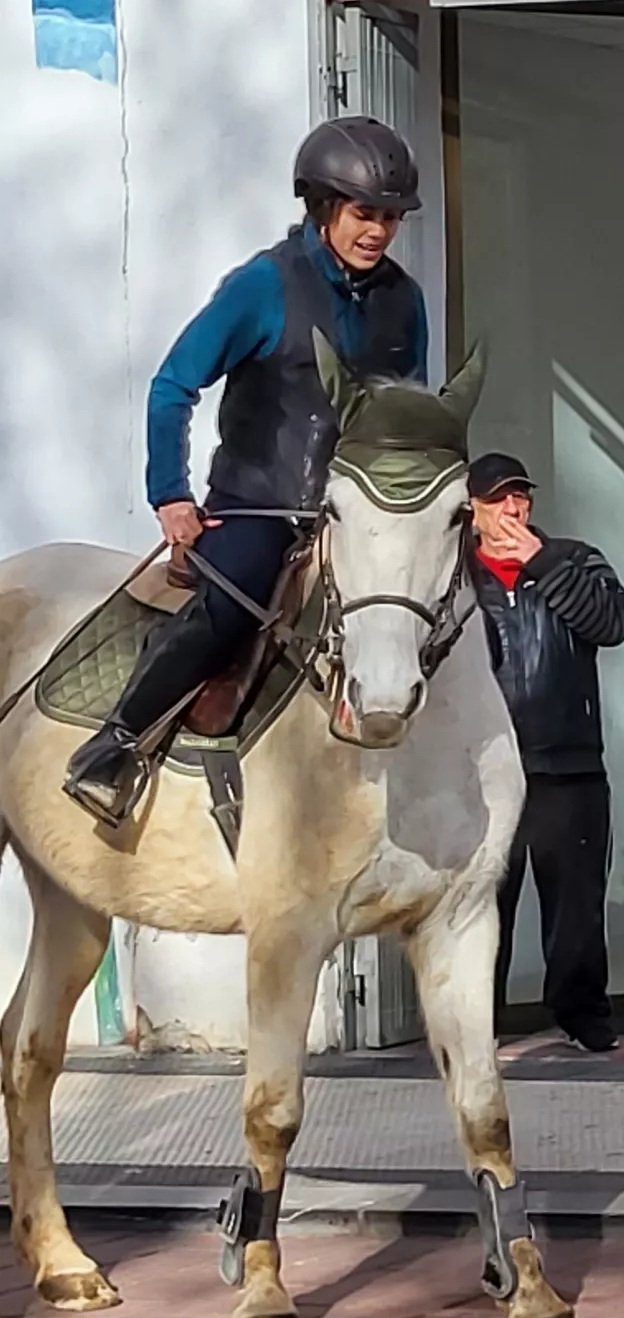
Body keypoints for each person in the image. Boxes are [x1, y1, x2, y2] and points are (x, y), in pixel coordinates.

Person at [67, 117, 430, 824]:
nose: (379, 231)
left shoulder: (403, 301)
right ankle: (113, 745)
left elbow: (402, 416)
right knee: (229, 610)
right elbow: (174, 384)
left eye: (390, 217)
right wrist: (170, 495)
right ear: (323, 207)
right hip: (258, 507)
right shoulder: (264, 285)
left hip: (352, 512)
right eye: (365, 214)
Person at [465, 455, 624, 1053]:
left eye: (520, 498)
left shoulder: (574, 559)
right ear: (472, 509)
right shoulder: (456, 574)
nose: (512, 510)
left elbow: (612, 623)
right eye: (498, 500)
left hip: (569, 763)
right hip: (482, 771)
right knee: (482, 906)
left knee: (576, 906)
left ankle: (582, 1013)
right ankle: (476, 1022)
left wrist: (540, 561)